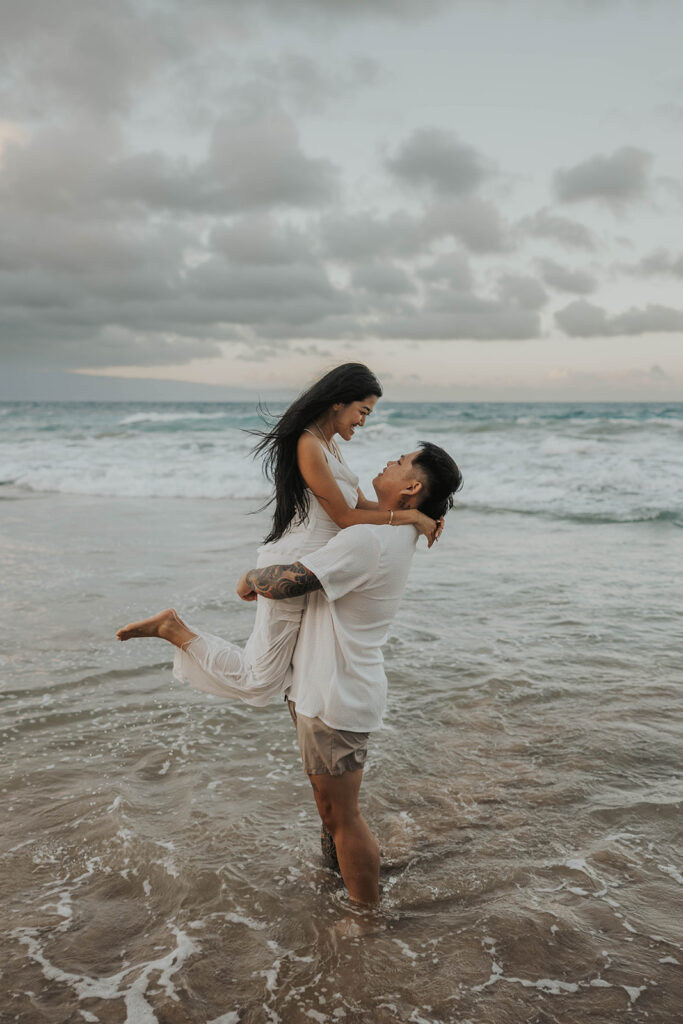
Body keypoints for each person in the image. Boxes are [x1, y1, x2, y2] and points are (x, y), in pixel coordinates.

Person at [119, 442, 463, 906]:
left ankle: (365, 916)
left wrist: (248, 577)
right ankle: (336, 879)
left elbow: (289, 581)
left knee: (342, 816)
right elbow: (346, 513)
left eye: (400, 463)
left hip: (336, 696)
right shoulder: (390, 532)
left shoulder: (371, 540)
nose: (388, 461)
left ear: (412, 488)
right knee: (330, 811)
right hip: (324, 686)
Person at [116, 363, 441, 706]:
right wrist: (411, 515)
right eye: (362, 411)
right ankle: (172, 629)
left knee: (292, 671)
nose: (363, 421)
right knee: (260, 682)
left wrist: (425, 516)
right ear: (338, 403)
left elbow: (363, 506)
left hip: (318, 566)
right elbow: (346, 517)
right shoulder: (308, 444)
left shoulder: (330, 446)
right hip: (291, 566)